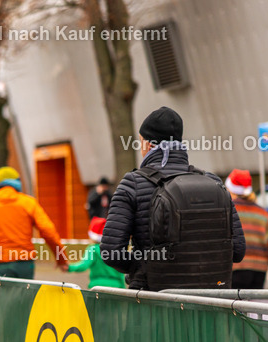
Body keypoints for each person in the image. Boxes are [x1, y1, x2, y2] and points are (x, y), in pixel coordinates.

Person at [101, 106, 245, 290]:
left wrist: (143, 269)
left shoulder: (132, 183)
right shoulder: (213, 181)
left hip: (154, 298)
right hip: (211, 298)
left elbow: (111, 252)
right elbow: (238, 251)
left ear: (148, 144)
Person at [225, 169, 268, 289]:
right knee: (252, 306)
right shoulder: (262, 213)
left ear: (230, 189)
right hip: (259, 272)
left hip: (236, 269)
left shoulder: (228, 210)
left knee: (233, 306)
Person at [68, 218, 126, 288]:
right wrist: (122, 287)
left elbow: (83, 266)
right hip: (116, 286)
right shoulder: (115, 249)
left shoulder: (93, 249)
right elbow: (121, 273)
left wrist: (69, 267)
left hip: (97, 286)